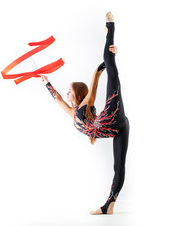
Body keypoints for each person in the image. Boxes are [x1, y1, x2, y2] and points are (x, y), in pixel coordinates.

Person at [40, 12, 129, 215]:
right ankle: (109, 206)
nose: (67, 92)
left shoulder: (84, 107)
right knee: (118, 168)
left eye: (70, 90)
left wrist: (97, 72)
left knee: (112, 71)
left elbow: (93, 90)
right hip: (119, 129)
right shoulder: (74, 113)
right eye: (68, 90)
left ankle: (110, 28)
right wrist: (47, 84)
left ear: (78, 94)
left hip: (113, 116)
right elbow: (59, 100)